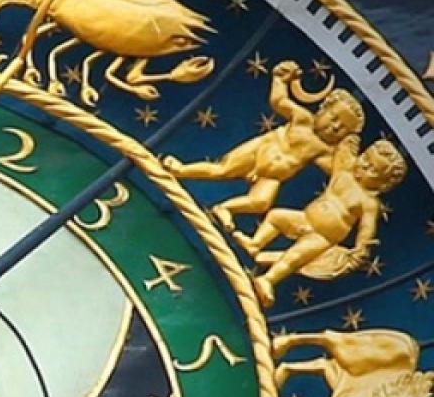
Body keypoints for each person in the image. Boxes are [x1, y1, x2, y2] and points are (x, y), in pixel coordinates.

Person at [164, 61, 364, 231]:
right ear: (323, 108)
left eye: (342, 128)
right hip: (260, 152)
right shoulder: (303, 119)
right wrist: (280, 79)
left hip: (274, 175)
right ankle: (181, 170)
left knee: (261, 202)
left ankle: (225, 208)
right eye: (334, 117)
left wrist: (348, 155)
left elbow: (336, 173)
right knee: (222, 170)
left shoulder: (325, 150)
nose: (335, 127)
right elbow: (279, 101)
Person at [232, 135, 406, 307]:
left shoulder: (368, 202)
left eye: (373, 170)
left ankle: (268, 279)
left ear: (383, 185)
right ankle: (255, 244)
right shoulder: (344, 172)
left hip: (323, 236)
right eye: (365, 158)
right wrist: (350, 139)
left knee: (295, 256)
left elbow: (366, 228)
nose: (364, 166)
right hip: (305, 218)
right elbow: (343, 151)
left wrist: (361, 247)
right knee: (275, 216)